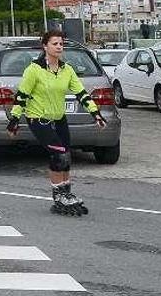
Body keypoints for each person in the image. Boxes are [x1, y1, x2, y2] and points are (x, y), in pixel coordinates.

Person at [7, 30, 107, 216]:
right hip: (38, 119)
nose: (59, 47)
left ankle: (66, 193)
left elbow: (81, 93)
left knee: (66, 156)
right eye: (55, 44)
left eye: (61, 44)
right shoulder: (33, 70)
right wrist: (14, 120)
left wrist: (96, 114)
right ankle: (59, 195)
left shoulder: (66, 69)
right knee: (58, 155)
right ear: (45, 46)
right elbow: (22, 96)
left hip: (59, 118)